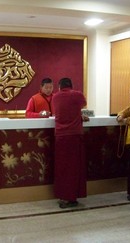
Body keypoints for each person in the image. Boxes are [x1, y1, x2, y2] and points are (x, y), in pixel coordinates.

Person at [52, 77, 89, 209]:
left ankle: (65, 196)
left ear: (59, 87)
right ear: (71, 85)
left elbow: (63, 111)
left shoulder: (55, 97)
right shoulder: (77, 95)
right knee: (74, 168)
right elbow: (82, 104)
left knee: (63, 168)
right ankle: (72, 197)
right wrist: (80, 116)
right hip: (75, 135)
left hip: (60, 136)